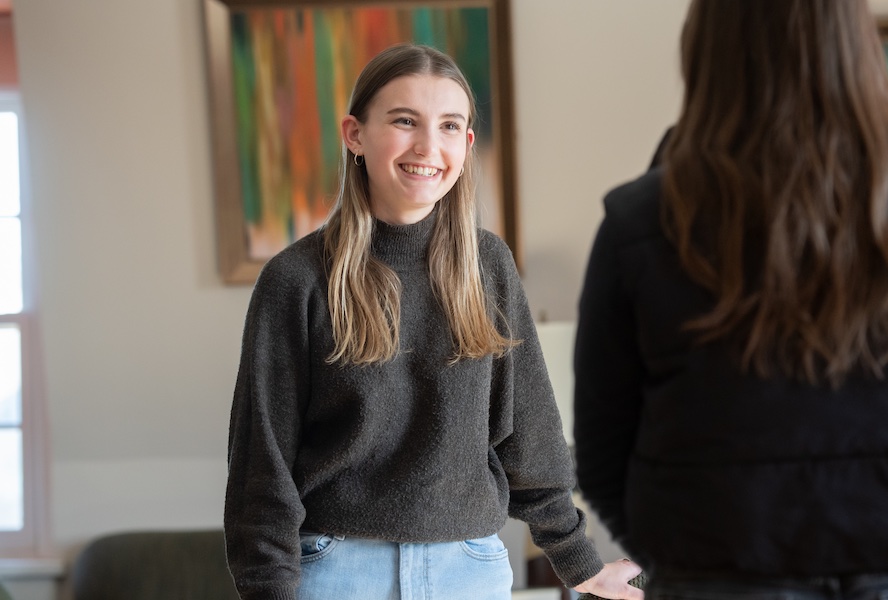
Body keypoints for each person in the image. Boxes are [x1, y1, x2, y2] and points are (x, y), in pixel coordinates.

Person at [573, 1, 888, 598]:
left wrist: (688, 559)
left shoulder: (641, 220)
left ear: (705, 51)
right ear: (859, 46)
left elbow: (600, 455)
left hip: (719, 578)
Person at [224, 44, 643, 600]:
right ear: (354, 134)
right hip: (336, 569)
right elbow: (262, 465)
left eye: (450, 126)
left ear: (467, 145)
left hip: (469, 567)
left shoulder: (488, 266)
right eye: (404, 121)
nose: (428, 147)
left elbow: (529, 435)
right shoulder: (296, 280)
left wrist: (579, 561)